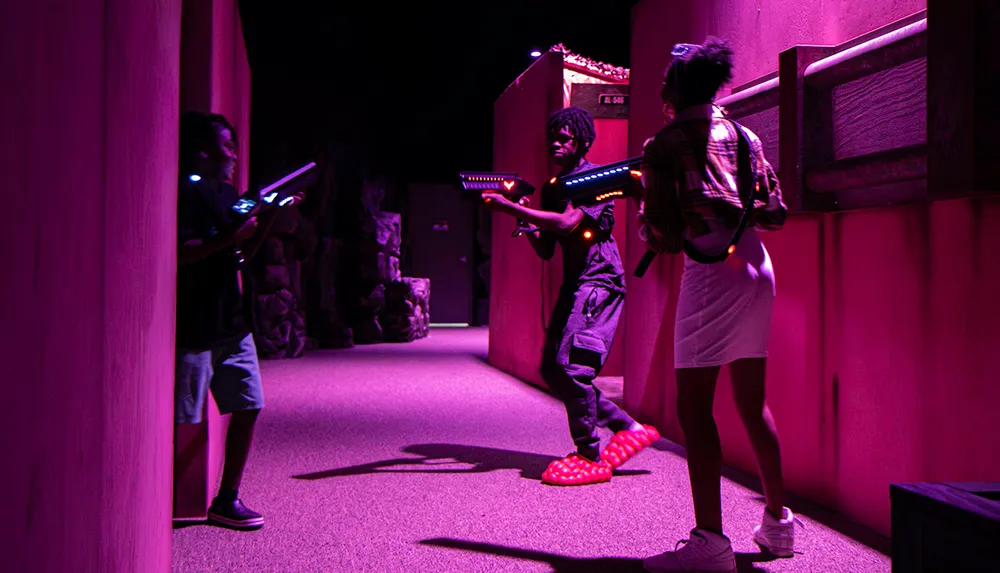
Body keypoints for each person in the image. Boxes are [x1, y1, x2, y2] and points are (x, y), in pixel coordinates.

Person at [636, 38, 797, 572]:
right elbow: (775, 212)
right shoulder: (746, 135)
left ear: (675, 89)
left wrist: (646, 209)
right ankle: (778, 526)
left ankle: (711, 544)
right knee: (752, 404)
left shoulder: (662, 144)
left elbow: (661, 234)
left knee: (694, 408)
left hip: (711, 273)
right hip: (755, 262)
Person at [480, 107, 659, 486]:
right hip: (575, 282)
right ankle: (626, 427)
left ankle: (588, 453)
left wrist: (508, 206)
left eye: (566, 138)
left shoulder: (592, 181)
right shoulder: (552, 188)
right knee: (550, 368)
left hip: (600, 281)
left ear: (583, 142)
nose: (557, 144)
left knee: (573, 368)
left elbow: (567, 223)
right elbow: (548, 248)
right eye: (554, 138)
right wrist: (524, 219)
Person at [175, 111, 300, 529]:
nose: (234, 155)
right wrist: (232, 235)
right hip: (194, 328)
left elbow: (239, 255)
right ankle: (170, 502)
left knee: (249, 406)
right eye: (228, 146)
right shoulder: (185, 193)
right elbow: (185, 251)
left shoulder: (228, 193)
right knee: (182, 421)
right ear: (204, 151)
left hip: (232, 323)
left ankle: (227, 497)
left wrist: (265, 220)